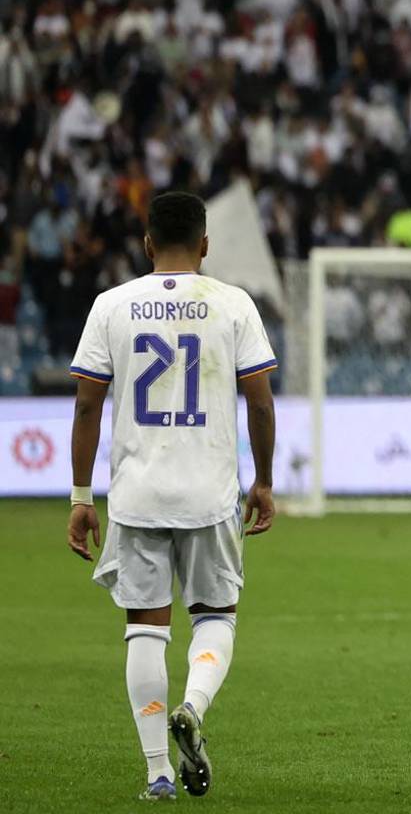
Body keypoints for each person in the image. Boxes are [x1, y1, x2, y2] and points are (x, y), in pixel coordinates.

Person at [66, 192, 278, 801]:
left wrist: (82, 495)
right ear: (206, 244)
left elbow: (87, 403)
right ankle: (193, 705)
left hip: (137, 494)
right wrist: (262, 481)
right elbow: (259, 401)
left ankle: (158, 771)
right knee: (215, 616)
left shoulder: (112, 305)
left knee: (145, 629)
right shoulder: (233, 304)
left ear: (148, 242)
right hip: (210, 492)